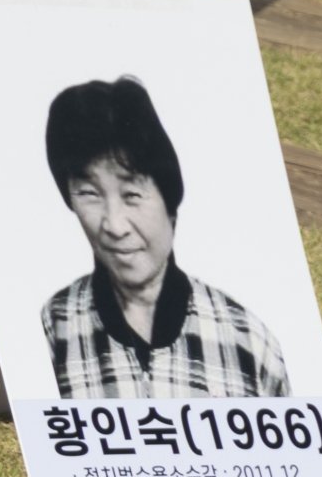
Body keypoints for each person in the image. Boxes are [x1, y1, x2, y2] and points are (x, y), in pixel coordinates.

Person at [39, 78, 291, 401]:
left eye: (132, 194)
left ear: (170, 201)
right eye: (89, 193)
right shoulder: (51, 329)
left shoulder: (248, 341)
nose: (114, 225)